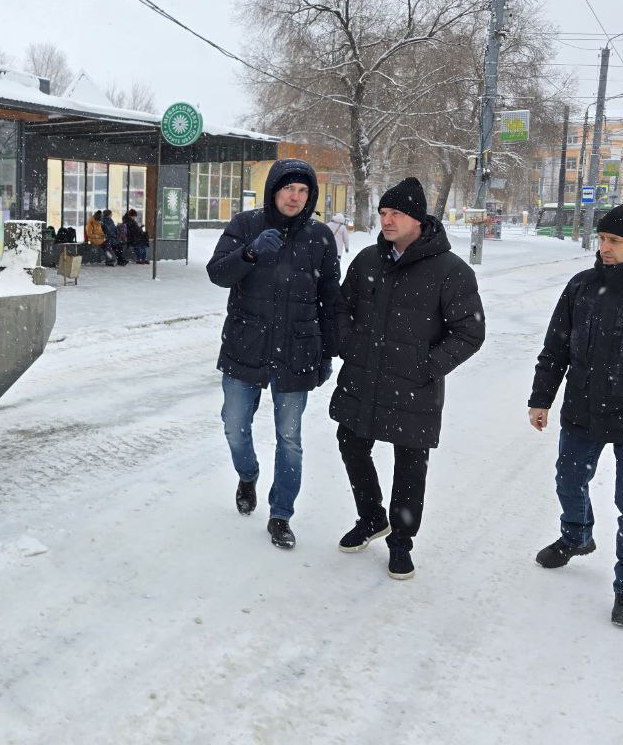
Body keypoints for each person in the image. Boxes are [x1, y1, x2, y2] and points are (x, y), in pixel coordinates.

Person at [330, 177, 484, 580]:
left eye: (395, 213)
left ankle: (401, 540)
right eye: (383, 213)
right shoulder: (367, 260)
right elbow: (342, 308)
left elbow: (469, 332)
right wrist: (349, 345)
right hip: (363, 377)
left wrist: (425, 367)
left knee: (410, 463)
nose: (387, 219)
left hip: (415, 386)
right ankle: (371, 517)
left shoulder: (451, 271)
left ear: (418, 218)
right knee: (350, 441)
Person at [528, 201, 623, 630]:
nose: (603, 247)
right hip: (583, 409)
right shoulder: (582, 286)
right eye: (602, 238)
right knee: (569, 479)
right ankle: (577, 535)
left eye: (614, 241)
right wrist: (541, 398)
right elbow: (556, 348)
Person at [207, 159, 341, 549]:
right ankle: (247, 473)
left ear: (310, 196)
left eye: (302, 191)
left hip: (297, 350)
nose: (295, 197)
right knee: (234, 426)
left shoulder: (320, 237)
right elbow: (218, 273)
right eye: (288, 189)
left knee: (290, 438)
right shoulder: (246, 225)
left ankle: (281, 514)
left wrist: (327, 352)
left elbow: (329, 299)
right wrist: (249, 254)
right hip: (245, 344)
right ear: (274, 191)